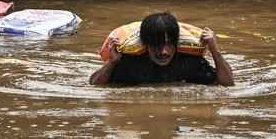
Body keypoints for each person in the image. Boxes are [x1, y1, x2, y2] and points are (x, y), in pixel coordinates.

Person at [89, 12, 234, 86]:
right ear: (145, 44)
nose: (164, 52)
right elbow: (95, 85)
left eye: (169, 44)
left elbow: (227, 84)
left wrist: (215, 51)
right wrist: (112, 63)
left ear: (176, 43)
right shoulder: (130, 63)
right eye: (157, 44)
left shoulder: (189, 62)